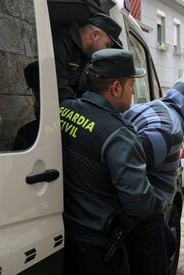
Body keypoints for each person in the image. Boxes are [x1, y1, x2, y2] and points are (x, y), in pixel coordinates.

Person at [60, 49, 162, 275]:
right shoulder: (119, 134)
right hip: (98, 246)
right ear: (116, 88)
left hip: (66, 236)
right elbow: (139, 203)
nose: (133, 90)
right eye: (131, 85)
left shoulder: (64, 109)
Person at [123, 72, 184, 274]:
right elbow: (125, 160)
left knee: (169, 242)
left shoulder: (145, 107)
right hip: (142, 220)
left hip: (140, 215)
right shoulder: (168, 128)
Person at [53, 13, 122, 101]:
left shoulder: (88, 57)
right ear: (95, 35)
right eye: (108, 45)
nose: (106, 51)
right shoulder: (61, 43)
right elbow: (60, 90)